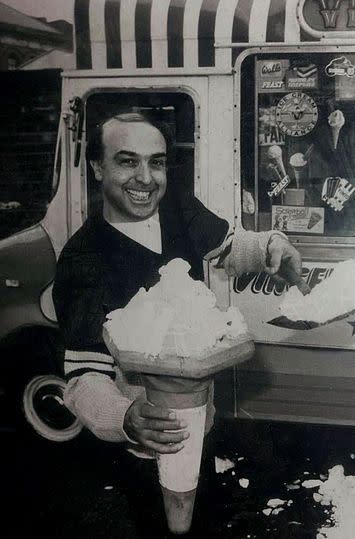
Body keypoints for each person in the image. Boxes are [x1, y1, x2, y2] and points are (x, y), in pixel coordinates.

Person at [52, 111, 304, 535]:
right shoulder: (82, 261)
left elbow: (227, 247)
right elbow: (82, 377)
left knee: (206, 518)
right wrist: (124, 415)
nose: (146, 178)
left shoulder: (176, 205)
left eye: (157, 162)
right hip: (142, 448)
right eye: (127, 161)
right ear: (98, 167)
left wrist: (270, 246)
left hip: (202, 421)